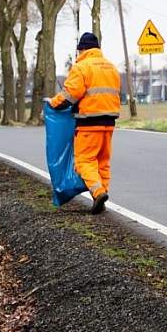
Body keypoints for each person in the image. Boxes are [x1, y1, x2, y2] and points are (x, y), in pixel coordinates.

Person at [48, 33, 121, 214]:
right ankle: (101, 195)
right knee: (102, 161)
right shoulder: (111, 67)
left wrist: (53, 103)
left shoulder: (82, 67)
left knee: (84, 161)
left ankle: (98, 192)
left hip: (89, 122)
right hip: (109, 122)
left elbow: (70, 94)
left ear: (82, 49)